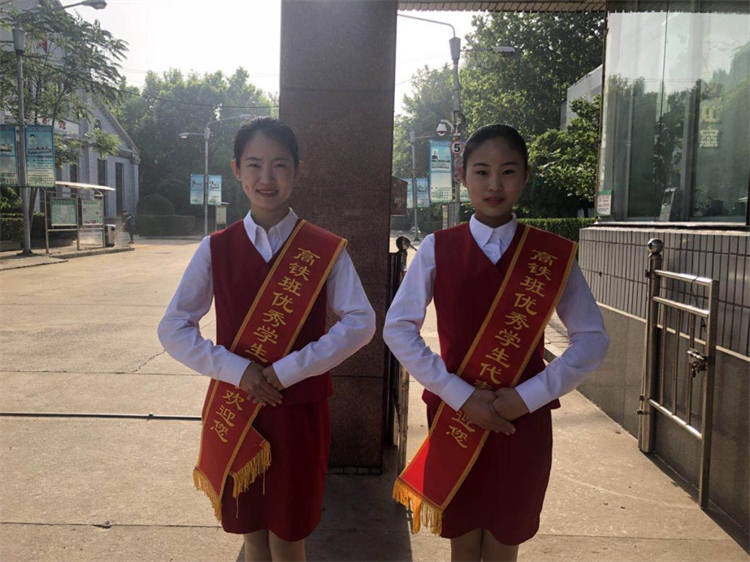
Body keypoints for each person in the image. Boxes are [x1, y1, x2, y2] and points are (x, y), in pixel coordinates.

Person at [384, 123, 609, 562]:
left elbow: (592, 340)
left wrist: (527, 397)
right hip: (456, 417)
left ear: (525, 176)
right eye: (482, 172)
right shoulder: (437, 249)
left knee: (506, 540)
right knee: (463, 543)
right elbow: (398, 328)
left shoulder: (550, 254)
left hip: (520, 422)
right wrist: (459, 394)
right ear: (462, 177)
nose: (494, 185)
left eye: (507, 172)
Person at [158, 117, 376, 562]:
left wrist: (287, 370)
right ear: (236, 169)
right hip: (237, 410)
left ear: (298, 172)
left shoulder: (324, 249)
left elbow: (361, 322)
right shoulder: (216, 248)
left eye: (279, 165)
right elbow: (173, 328)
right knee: (252, 534)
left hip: (298, 412)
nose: (266, 178)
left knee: (290, 537)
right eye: (254, 164)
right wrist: (237, 371)